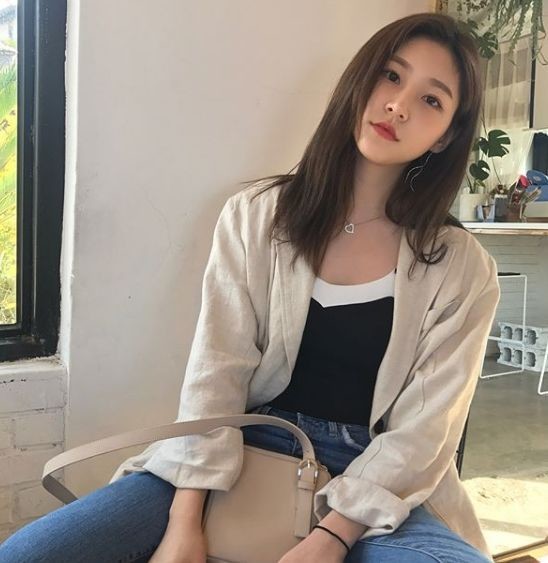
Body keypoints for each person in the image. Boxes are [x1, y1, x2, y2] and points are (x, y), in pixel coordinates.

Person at [0, 11, 501, 563]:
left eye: (431, 100)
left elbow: (426, 432)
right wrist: (185, 521)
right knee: (29, 555)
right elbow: (216, 372)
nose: (399, 105)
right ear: (361, 79)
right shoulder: (258, 216)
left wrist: (331, 538)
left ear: (446, 135)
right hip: (238, 447)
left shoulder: (461, 268)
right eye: (391, 75)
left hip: (376, 481)